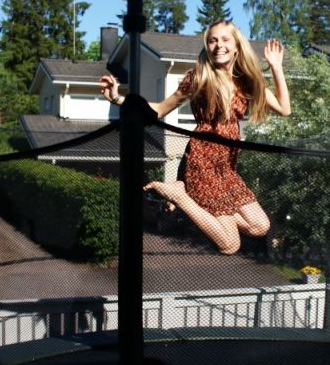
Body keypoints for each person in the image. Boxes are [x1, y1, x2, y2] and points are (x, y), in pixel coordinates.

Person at [100, 20, 291, 255]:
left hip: (226, 169)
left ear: (237, 47)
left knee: (260, 226)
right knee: (230, 245)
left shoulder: (246, 82)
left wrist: (276, 66)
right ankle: (180, 196)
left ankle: (192, 201)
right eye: (212, 41)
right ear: (207, 46)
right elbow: (159, 109)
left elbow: (284, 108)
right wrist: (119, 98)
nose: (218, 45)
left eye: (225, 40)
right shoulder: (199, 78)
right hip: (202, 162)